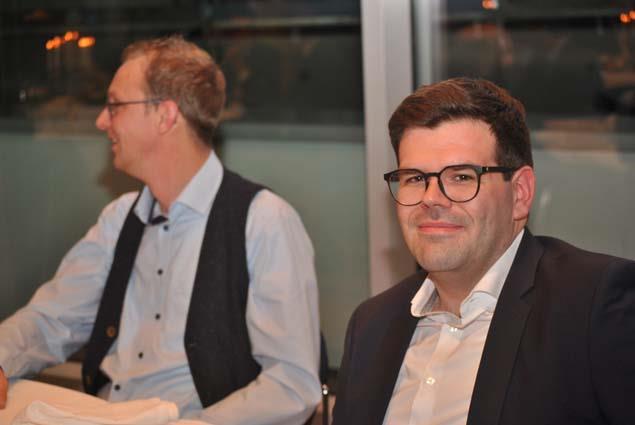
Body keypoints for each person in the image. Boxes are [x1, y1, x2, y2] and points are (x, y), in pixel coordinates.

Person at [0, 35, 321, 424]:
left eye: (115, 106)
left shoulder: (264, 221)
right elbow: (50, 320)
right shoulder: (120, 218)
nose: (101, 121)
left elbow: (292, 384)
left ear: (165, 116)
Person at [332, 77, 635, 425]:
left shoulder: (593, 306)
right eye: (415, 178)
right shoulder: (371, 326)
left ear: (520, 193)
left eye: (461, 177)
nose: (431, 199)